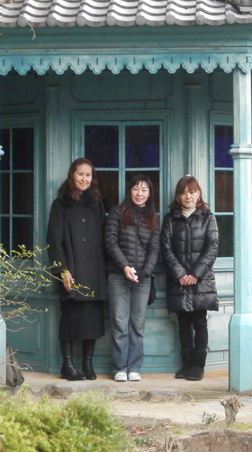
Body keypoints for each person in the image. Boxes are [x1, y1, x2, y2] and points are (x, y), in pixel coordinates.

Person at [46, 158, 107, 381]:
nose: (84, 179)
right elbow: (54, 241)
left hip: (94, 271)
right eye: (80, 174)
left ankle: (87, 364)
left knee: (92, 319)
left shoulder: (97, 204)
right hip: (71, 270)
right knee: (70, 319)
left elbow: (104, 237)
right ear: (72, 175)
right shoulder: (60, 204)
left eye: (88, 175)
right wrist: (62, 270)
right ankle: (68, 365)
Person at [160, 175, 218, 381]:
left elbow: (212, 248)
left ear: (198, 193)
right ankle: (186, 364)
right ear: (178, 196)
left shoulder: (208, 218)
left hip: (201, 281)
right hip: (178, 281)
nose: (188, 196)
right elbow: (166, 249)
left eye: (192, 192)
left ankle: (198, 366)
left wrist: (195, 274)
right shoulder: (170, 219)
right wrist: (180, 274)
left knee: (200, 323)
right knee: (183, 323)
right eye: (184, 193)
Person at [104, 175, 160, 382]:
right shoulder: (117, 213)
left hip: (142, 279)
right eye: (136, 189)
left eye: (144, 190)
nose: (139, 193)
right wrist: (125, 267)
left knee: (137, 324)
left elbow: (155, 248)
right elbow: (110, 242)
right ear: (130, 191)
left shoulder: (153, 218)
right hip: (118, 275)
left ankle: (134, 367)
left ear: (149, 194)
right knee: (119, 323)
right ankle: (119, 367)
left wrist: (144, 272)